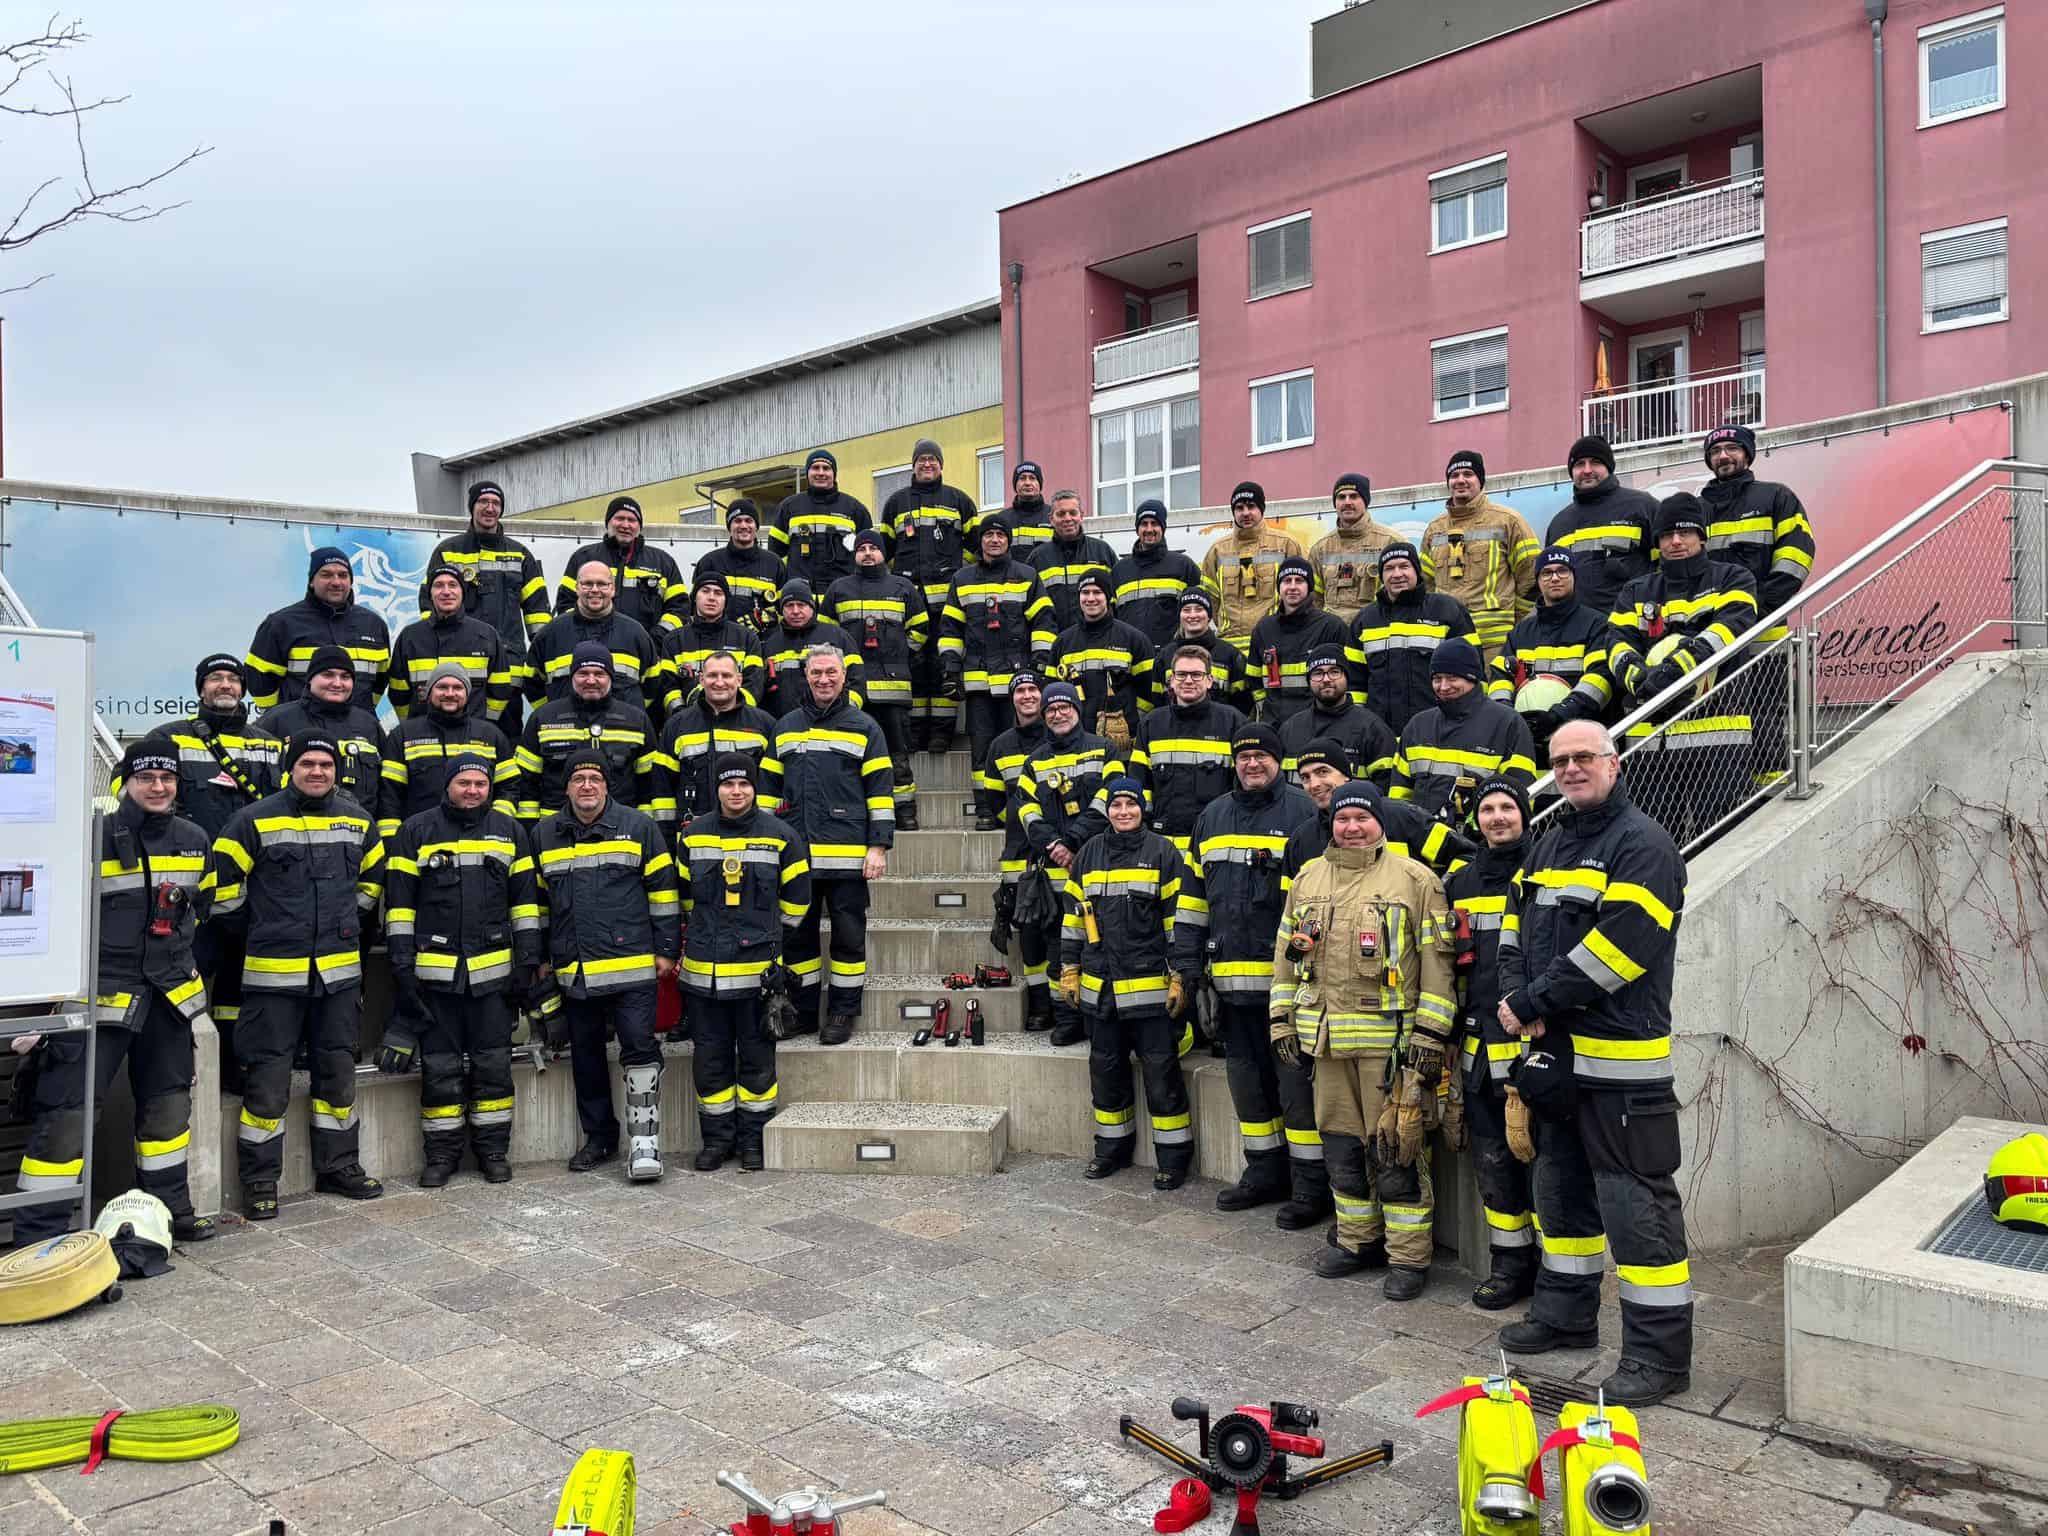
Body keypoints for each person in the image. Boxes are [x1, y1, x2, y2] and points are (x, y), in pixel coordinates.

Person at [1497, 719, 1692, 1407]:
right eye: (1560, 761)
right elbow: (1514, 930)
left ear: (1614, 763)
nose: (1571, 769)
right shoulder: (1549, 842)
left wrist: (1534, 1000)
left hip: (1621, 1070)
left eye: (1584, 756)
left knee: (1635, 1208)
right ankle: (1566, 1315)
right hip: (1557, 1061)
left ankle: (1659, 1357)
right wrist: (1517, 998)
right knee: (1560, 1192)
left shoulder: (1644, 844)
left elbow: (1622, 947)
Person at [11, 743, 215, 1246]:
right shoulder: (89, 838)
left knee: (169, 1112)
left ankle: (169, 1213)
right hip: (98, 999)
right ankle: (39, 1233)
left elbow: (203, 911)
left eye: (166, 778)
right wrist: (43, 1009)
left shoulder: (195, 840)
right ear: (126, 782)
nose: (158, 787)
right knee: (67, 1115)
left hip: (169, 1000)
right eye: (146, 778)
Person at [1273, 779, 1455, 1298]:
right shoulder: (1308, 878)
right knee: (1340, 1149)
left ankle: (1408, 1258)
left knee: (1396, 1148)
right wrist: (1281, 1019)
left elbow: (1438, 966)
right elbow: (1285, 956)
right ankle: (1357, 1241)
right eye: (1343, 819)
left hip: (1389, 1048)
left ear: (1380, 822)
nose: (1352, 828)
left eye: (1362, 818)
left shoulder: (1416, 880)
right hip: (1325, 1044)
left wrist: (1429, 1035)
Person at [207, 733, 383, 1217]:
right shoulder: (252, 820)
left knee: (338, 1074)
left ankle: (339, 1166)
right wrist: (261, 930)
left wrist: (344, 924)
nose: (317, 771)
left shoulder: (358, 820)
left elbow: (372, 884)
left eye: (326, 764)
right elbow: (221, 889)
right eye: (307, 763)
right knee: (267, 1080)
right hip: (272, 979)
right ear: (290, 768)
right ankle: (260, 1180)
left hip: (338, 976)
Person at [1174, 725, 1323, 1222]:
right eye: (1243, 757)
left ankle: (1310, 1187)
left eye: (1262, 756)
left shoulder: (1304, 813)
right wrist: (1189, 969)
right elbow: (1193, 901)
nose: (1252, 764)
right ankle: (1264, 1173)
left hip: (1288, 989)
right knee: (1248, 1088)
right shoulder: (1212, 817)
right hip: (1231, 988)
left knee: (1296, 1091)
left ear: (1279, 761)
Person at [369, 754, 540, 1187]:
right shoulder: (415, 831)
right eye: (464, 783)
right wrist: (402, 968)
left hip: (494, 979)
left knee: (494, 1067)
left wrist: (526, 963)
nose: (473, 791)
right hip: (435, 979)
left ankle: (493, 1152)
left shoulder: (510, 831)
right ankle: (442, 1156)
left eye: (480, 784)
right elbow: (400, 908)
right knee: (440, 1069)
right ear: (448, 785)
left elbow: (525, 905)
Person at [533, 749, 681, 1180]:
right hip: (574, 970)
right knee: (586, 1057)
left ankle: (644, 1142)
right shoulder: (544, 834)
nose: (587, 786)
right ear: (566, 788)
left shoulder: (640, 827)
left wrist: (666, 949)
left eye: (594, 779)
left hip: (632, 965)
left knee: (639, 1045)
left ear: (606, 786)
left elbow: (663, 891)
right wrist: (540, 958)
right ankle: (599, 1138)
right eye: (578, 778)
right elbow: (537, 905)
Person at [136, 654, 281, 1087]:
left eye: (233, 679)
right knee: (185, 976)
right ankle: (177, 1068)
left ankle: (233, 1067)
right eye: (215, 678)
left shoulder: (269, 744)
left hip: (251, 890)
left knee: (239, 984)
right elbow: (140, 798)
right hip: (190, 889)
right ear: (201, 688)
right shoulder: (168, 737)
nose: (225, 685)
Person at [677, 754, 811, 1172]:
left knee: (757, 1062)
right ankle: (717, 1142)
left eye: (744, 784)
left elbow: (797, 904)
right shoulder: (692, 836)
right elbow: (684, 898)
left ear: (754, 788)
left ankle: (754, 1141)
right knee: (710, 1062)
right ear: (716, 789)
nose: (736, 792)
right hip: (705, 977)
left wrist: (766, 938)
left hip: (757, 977)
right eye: (728, 784)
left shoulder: (782, 836)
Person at [1602, 493, 1760, 841]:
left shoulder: (1734, 578)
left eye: (1685, 532)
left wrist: (1676, 670)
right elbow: (1615, 643)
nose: (1675, 541)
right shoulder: (1636, 590)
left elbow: (1730, 628)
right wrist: (1639, 678)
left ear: (1701, 537)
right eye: (1667, 535)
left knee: (1720, 836)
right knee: (1652, 839)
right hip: (1650, 740)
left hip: (1717, 733)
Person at [759, 645, 894, 1045]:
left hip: (848, 858)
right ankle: (802, 1013)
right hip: (796, 858)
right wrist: (763, 848)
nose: (823, 679)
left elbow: (880, 793)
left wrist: (878, 847)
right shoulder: (785, 727)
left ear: (843, 676)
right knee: (797, 938)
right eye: (816, 672)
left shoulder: (865, 727)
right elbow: (767, 793)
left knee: (848, 937)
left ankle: (842, 1011)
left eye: (831, 672)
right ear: (806, 676)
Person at [1064, 777, 1193, 1190]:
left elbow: (1177, 922)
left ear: (1143, 809)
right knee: (1106, 1073)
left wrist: (1180, 975)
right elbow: (1072, 919)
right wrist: (1068, 968)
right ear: (1108, 811)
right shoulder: (1088, 853)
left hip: (1150, 992)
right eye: (1116, 805)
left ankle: (1173, 1158)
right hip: (1101, 990)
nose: (1123, 812)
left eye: (1131, 805)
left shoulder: (1163, 852)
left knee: (1161, 1075)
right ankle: (1111, 1150)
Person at [1444, 777, 1536, 1309]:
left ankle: (1556, 1272)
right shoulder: (1460, 881)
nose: (1498, 817)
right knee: (1493, 1162)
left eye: (1507, 807)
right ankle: (1510, 1265)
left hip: (1533, 1048)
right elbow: (1451, 966)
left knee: (1541, 1163)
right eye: (1488, 809)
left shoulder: (1544, 869)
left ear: (1524, 813)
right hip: (1479, 1052)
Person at [1700, 422, 1817, 786]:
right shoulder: (1696, 509)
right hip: (1709, 638)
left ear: (1748, 455)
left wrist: (1758, 610)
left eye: (1732, 449)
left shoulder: (1775, 497)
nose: (1724, 456)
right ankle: (1730, 790)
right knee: (1716, 715)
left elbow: (1796, 558)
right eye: (1716, 452)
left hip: (1763, 632)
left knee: (1765, 710)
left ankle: (1771, 788)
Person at [1014, 682, 1118, 1047]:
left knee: (1099, 945)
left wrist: (1072, 842)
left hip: (1097, 867)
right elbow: (1027, 811)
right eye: (1051, 710)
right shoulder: (1035, 761)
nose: (1058, 714)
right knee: (1059, 949)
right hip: (1054, 872)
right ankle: (1067, 1018)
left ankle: (1099, 1017)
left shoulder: (1104, 749)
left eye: (1065, 707)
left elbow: (1109, 800)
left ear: (1077, 709)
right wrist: (1055, 846)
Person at [939, 514, 1056, 831]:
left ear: (1008, 541)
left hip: (1019, 683)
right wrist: (951, 669)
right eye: (988, 535)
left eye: (1000, 535)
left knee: (1022, 747)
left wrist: (1039, 664)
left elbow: (1043, 622)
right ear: (980, 541)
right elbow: (950, 629)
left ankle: (1024, 806)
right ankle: (985, 809)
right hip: (978, 682)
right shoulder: (962, 579)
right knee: (982, 749)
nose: (994, 540)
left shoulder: (1026, 576)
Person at [424, 480, 551, 737]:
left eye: (496, 503)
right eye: (483, 502)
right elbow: (429, 608)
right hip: (456, 673)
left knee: (505, 740)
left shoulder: (520, 555)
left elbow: (538, 614)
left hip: (508, 672)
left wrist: (542, 657)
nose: (490, 508)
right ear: (472, 507)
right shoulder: (447, 552)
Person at [823, 528, 928, 829]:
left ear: (883, 553)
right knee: (851, 753)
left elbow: (921, 629)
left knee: (897, 754)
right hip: (851, 690)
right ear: (855, 555)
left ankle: (904, 811)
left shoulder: (903, 587)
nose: (867, 554)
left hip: (894, 688)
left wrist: (899, 654)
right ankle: (856, 813)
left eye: (873, 548)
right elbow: (826, 636)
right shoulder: (838, 589)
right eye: (861, 549)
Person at [881, 439, 976, 753]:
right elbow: (885, 554)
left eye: (932, 459)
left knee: (943, 666)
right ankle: (916, 730)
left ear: (941, 465)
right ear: (913, 465)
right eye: (921, 459)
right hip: (909, 606)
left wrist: (957, 577)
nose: (927, 464)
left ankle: (941, 732)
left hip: (947, 607)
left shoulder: (959, 501)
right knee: (913, 666)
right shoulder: (896, 503)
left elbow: (976, 549)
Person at [510, 643, 663, 824]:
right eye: (583, 673)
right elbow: (526, 782)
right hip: (556, 829)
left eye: (599, 674)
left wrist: (641, 827)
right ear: (572, 677)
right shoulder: (543, 719)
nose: (591, 680)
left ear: (611, 677)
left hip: (621, 828)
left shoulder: (636, 720)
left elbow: (650, 784)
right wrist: (532, 829)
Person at [1390, 639, 1538, 825]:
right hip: (1420, 841)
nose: (1443, 687)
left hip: (1482, 840)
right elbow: (1398, 796)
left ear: (1473, 678)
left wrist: (1476, 832)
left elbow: (1521, 796)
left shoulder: (1508, 724)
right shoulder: (1417, 725)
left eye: (1452, 678)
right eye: (1437, 679)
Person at [1485, 547, 1614, 758]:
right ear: (1538, 581)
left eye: (1562, 570)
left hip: (1581, 738)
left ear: (1574, 576)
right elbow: (1500, 679)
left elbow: (1599, 680)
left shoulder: (1596, 624)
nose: (1554, 578)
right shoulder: (1521, 631)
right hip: (1527, 741)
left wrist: (1558, 715)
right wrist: (1509, 716)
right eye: (1546, 573)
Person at [1284, 741, 1471, 880]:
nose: (1314, 784)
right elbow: (1290, 903)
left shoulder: (1402, 818)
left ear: (1346, 775)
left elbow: (1466, 855)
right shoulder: (1302, 839)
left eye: (1323, 772)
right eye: (1305, 777)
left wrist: (1442, 890)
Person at [1346, 543, 1478, 738]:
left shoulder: (1447, 610)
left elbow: (1473, 673)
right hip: (1380, 735)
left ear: (1417, 570)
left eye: (1404, 566)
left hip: (1440, 730)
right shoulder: (1364, 620)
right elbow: (1354, 683)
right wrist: (1359, 727)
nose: (1397, 574)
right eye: (1389, 568)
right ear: (1381, 576)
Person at [1421, 452, 1540, 664]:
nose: (1460, 480)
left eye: (1468, 474)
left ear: (1481, 480)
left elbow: (1531, 578)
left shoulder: (1508, 521)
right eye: (1454, 475)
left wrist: (1514, 620)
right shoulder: (1434, 529)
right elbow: (1426, 585)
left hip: (1495, 644)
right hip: (1448, 642)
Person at [1129, 645, 1245, 856]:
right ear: (1171, 680)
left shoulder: (1233, 722)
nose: (1188, 680)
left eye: (1196, 674)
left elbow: (1241, 786)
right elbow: (1140, 785)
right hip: (1163, 846)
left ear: (1209, 680)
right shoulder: (1151, 724)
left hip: (1215, 842)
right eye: (1181, 674)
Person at [244, 545, 390, 711]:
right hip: (299, 725)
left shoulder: (374, 625)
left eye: (343, 575)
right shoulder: (281, 623)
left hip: (359, 725)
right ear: (312, 581)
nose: (336, 582)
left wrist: (362, 714)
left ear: (351, 581)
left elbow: (380, 680)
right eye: (326, 575)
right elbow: (258, 676)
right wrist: (277, 716)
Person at [378, 663, 515, 837]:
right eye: (442, 687)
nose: (450, 693)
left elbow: (510, 787)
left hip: (481, 840)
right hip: (419, 839)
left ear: (467, 694)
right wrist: (393, 841)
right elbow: (389, 796)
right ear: (429, 693)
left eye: (457, 688)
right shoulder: (403, 735)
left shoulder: (491, 735)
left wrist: (496, 823)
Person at [527, 560, 674, 721]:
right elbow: (531, 682)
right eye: (587, 584)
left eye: (602, 584)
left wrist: (630, 713)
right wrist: (552, 714)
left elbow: (652, 684)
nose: (595, 590)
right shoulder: (550, 634)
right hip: (565, 730)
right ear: (576, 588)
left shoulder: (635, 634)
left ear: (613, 589)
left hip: (622, 730)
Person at [983, 672, 1050, 1017]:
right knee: (1029, 932)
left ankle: (1063, 1007)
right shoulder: (1000, 745)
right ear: (1012, 699)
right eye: (1020, 690)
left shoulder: (1057, 737)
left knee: (1061, 931)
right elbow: (994, 799)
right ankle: (1040, 1005)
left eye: (1033, 689)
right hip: (1017, 854)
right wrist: (1015, 820)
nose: (1027, 696)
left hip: (1055, 850)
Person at [655, 649, 778, 828]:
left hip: (751, 835)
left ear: (739, 680)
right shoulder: (676, 726)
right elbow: (662, 790)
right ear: (701, 680)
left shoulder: (764, 725)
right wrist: (667, 837)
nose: (719, 682)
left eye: (726, 675)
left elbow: (773, 786)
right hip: (694, 836)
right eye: (712, 675)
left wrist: (767, 830)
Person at [261, 645, 385, 812]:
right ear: (310, 678)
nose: (337, 683)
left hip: (359, 826)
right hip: (291, 824)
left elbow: (387, 790)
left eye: (345, 677)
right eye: (328, 675)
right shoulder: (276, 721)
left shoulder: (368, 724)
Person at [388, 562, 512, 724]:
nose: (446, 592)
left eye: (453, 585)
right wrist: (413, 727)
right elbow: (398, 693)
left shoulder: (486, 635)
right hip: (423, 735)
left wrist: (483, 726)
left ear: (462, 592)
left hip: (473, 735)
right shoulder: (410, 637)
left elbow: (500, 689)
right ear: (430, 593)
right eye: (439, 585)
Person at [1545, 436, 1655, 617]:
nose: (1587, 470)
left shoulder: (1642, 507)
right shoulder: (1559, 524)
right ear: (1572, 471)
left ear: (1609, 467)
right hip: (1576, 628)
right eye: (1580, 464)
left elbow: (1666, 568)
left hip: (1630, 625)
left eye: (1595, 462)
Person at [556, 495, 689, 638]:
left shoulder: (662, 562)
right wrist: (585, 636)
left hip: (646, 649)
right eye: (619, 518)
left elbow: (679, 609)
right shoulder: (583, 558)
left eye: (631, 520)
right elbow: (565, 604)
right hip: (591, 647)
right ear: (608, 523)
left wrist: (654, 640)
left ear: (639, 526)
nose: (625, 525)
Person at [1048, 571, 1151, 754]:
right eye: (1085, 592)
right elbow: (1051, 694)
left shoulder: (1134, 639)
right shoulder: (1062, 643)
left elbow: (1149, 693)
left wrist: (1132, 724)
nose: (1091, 598)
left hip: (1122, 744)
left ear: (1108, 596)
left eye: (1097, 592)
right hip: (1074, 743)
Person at [1200, 481, 1305, 649]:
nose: (1245, 513)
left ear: (1261, 509)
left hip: (1275, 642)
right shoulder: (1217, 550)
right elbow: (1208, 599)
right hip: (1230, 646)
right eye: (1239, 508)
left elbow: (1303, 596)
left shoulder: (1286, 544)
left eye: (1251, 506)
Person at [1250, 556, 1350, 727]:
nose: (1292, 587)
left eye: (1299, 581)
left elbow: (1346, 679)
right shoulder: (1263, 629)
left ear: (1309, 586)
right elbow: (1253, 679)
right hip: (1274, 725)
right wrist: (1266, 711)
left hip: (1318, 725)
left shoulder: (1331, 627)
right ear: (1279, 587)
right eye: (1287, 581)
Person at [1279, 649, 1397, 793]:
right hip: (1300, 808)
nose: (1326, 679)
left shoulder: (1372, 728)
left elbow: (1385, 790)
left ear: (1347, 677)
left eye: (1334, 672)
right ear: (1309, 681)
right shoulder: (1290, 728)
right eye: (1318, 673)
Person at [759, 578, 862, 720]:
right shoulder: (770, 644)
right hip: (784, 725)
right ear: (782, 609)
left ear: (812, 607)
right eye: (789, 605)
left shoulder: (838, 637)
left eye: (801, 605)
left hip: (832, 723)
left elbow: (857, 680)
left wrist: (845, 713)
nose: (795, 611)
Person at [1111, 500, 1208, 649]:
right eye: (1144, 524)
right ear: (1137, 529)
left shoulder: (1183, 566)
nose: (1149, 529)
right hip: (1131, 654)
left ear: (1163, 528)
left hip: (1172, 655)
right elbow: (1111, 618)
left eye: (1154, 523)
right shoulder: (1120, 570)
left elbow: (1201, 611)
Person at [772, 448, 872, 592]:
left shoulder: (855, 509)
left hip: (843, 595)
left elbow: (869, 555)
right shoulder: (789, 507)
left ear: (834, 473)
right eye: (815, 468)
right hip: (801, 598)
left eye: (826, 468)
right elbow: (775, 555)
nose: (820, 473)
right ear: (807, 473)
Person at [666, 571, 765, 707]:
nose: (711, 598)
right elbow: (668, 689)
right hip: (687, 719)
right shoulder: (674, 640)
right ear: (694, 597)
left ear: (726, 601)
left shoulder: (747, 638)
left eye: (718, 593)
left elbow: (754, 686)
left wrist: (735, 711)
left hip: (736, 718)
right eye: (705, 591)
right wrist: (684, 714)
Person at [1309, 472, 1402, 613]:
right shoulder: (1320, 549)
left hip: (1375, 625)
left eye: (1354, 496)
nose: (1347, 502)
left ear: (1365, 501)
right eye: (1341, 497)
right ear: (1335, 503)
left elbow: (1404, 595)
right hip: (1332, 627)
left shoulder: (1391, 542)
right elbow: (1314, 600)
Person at [1030, 489, 1118, 635]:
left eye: (1073, 513)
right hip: (1056, 641)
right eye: (1061, 514)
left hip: (1100, 640)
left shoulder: (1103, 551)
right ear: (1051, 519)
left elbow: (1116, 601)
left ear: (1081, 516)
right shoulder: (1038, 558)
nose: (1067, 518)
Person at [692, 499, 784, 630]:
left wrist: (762, 619)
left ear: (756, 526)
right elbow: (694, 606)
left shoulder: (774, 564)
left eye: (749, 520)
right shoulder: (709, 562)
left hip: (761, 640)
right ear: (729, 527)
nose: (743, 526)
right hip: (716, 638)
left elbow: (785, 609)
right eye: (737, 521)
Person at [1160, 588, 1254, 715]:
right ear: (1179, 616)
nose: (1193, 615)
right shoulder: (1165, 656)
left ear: (1209, 616)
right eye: (1186, 610)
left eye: (1199, 609)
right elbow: (1157, 702)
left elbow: (1244, 703)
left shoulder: (1230, 655)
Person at [992, 459, 1054, 560]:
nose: (1027, 483)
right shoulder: (1001, 519)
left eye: (1032, 478)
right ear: (1015, 485)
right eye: (1022, 478)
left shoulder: (1054, 516)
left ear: (1040, 484)